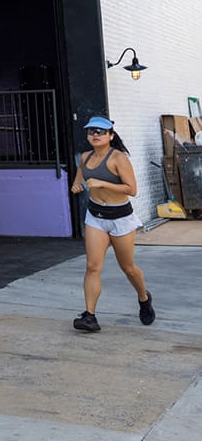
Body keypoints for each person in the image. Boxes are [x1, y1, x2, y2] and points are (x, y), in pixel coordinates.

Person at [69, 115, 154, 332]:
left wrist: (102, 183)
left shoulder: (118, 158)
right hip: (96, 216)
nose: (95, 135)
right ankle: (90, 316)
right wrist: (77, 186)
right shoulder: (85, 158)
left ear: (110, 135)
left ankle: (144, 298)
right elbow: (79, 180)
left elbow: (132, 189)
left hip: (121, 218)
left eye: (100, 131)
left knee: (128, 268)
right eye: (91, 131)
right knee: (92, 266)